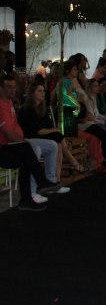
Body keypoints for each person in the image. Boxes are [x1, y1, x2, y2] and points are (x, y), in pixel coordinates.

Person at [0, 74, 62, 210]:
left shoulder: (9, 102)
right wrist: (25, 142)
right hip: (5, 145)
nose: (13, 90)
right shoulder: (2, 106)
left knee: (45, 147)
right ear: (1, 89)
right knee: (29, 150)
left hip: (15, 143)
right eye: (9, 87)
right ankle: (40, 184)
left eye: (14, 87)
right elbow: (9, 134)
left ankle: (30, 195)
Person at [18, 82, 86, 182]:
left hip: (41, 135)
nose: (43, 93)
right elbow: (38, 131)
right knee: (57, 136)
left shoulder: (42, 108)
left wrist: (62, 138)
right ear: (32, 93)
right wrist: (58, 133)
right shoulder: (27, 109)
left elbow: (49, 126)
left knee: (58, 143)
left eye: (43, 91)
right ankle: (72, 163)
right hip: (29, 137)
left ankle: (56, 179)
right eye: (39, 91)